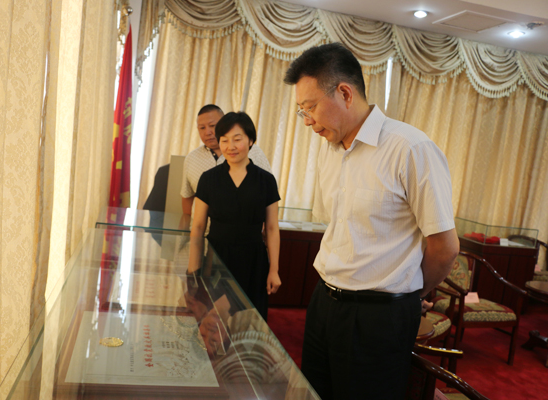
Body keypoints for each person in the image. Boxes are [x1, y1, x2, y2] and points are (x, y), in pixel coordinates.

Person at [283, 43, 460, 399]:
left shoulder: (410, 148)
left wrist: (408, 291)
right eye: (301, 111)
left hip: (378, 317)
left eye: (311, 107)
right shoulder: (331, 150)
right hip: (324, 302)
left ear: (345, 93)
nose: (307, 121)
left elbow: (444, 248)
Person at [188, 112, 281, 321]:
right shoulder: (208, 179)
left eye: (237, 139)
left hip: (253, 261)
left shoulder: (266, 180)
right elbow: (198, 226)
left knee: (249, 322)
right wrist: (193, 268)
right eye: (224, 140)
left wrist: (274, 270)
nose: (230, 146)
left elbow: (272, 228)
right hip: (216, 259)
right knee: (214, 322)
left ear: (250, 140)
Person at [181, 104, 272, 215]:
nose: (208, 132)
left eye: (212, 125)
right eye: (202, 128)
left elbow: (269, 194)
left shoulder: (254, 152)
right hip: (203, 225)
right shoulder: (191, 158)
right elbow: (187, 196)